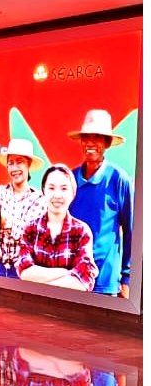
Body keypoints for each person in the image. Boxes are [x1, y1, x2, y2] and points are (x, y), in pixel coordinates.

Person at [67, 109, 133, 297]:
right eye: (86, 137)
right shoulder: (70, 179)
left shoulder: (119, 179)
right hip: (71, 278)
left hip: (105, 282)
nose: (90, 142)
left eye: (97, 137)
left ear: (107, 142)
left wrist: (127, 279)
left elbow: (131, 232)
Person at [16, 164, 98, 291]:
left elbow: (83, 281)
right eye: (51, 188)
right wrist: (66, 272)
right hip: (32, 303)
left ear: (73, 193)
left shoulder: (82, 231)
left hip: (69, 303)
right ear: (43, 191)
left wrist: (40, 284)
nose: (57, 195)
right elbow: (25, 272)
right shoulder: (30, 229)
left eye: (64, 189)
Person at [0, 138, 46, 277]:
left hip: (23, 270)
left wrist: (4, 222)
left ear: (29, 164)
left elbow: (29, 236)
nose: (14, 168)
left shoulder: (39, 200)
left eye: (19, 162)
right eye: (10, 163)